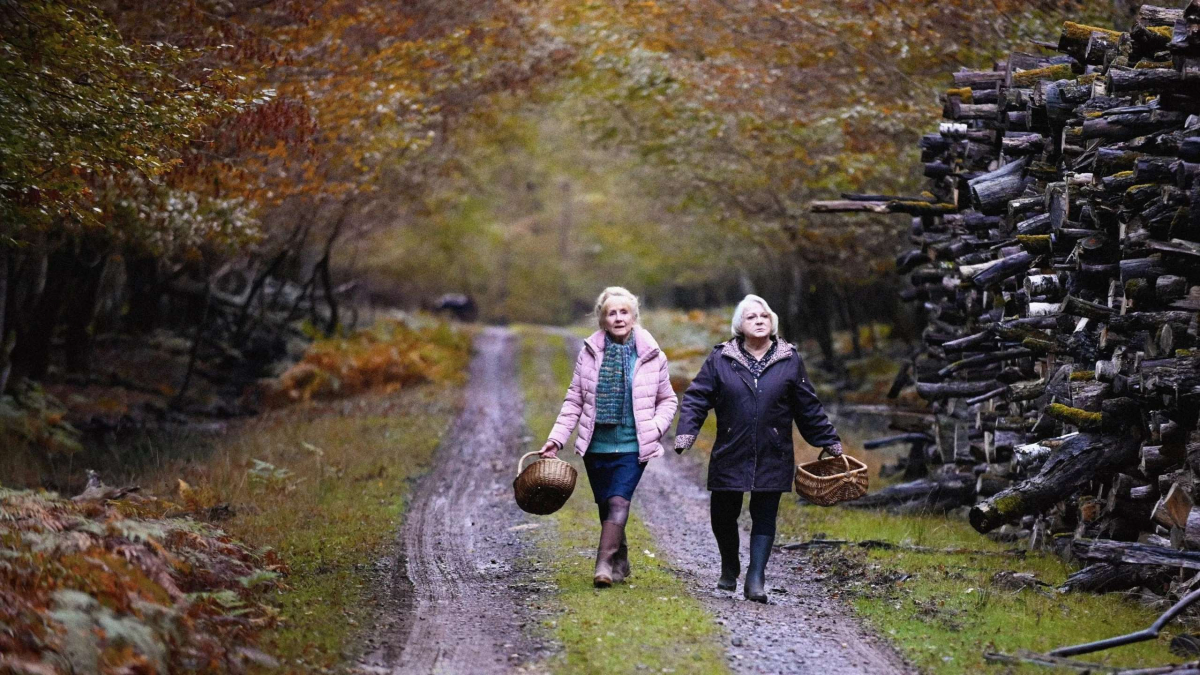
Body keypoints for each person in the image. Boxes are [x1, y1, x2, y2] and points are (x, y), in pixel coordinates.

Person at [674, 294, 843, 603]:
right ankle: (729, 564)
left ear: (772, 321)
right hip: (730, 447)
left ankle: (756, 577)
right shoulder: (721, 358)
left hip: (773, 449)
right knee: (723, 513)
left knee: (765, 513)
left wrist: (828, 440)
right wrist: (687, 432)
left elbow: (807, 405)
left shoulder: (789, 358)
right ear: (740, 324)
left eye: (764, 315)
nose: (759, 320)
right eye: (752, 316)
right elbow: (698, 397)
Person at [539, 287, 678, 587]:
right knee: (606, 505)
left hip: (633, 444)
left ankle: (602, 564)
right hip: (596, 445)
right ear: (602, 320)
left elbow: (668, 400)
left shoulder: (652, 355)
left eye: (624, 312)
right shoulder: (589, 354)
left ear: (634, 317)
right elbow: (574, 399)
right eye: (611, 313)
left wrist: (654, 428)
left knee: (619, 501)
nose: (618, 318)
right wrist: (556, 439)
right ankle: (621, 559)